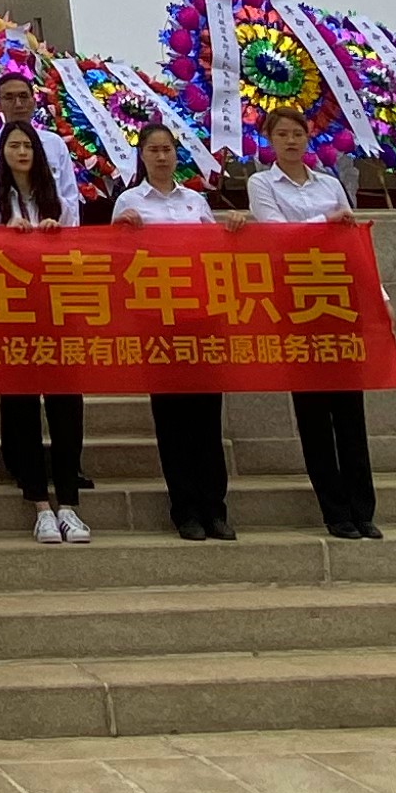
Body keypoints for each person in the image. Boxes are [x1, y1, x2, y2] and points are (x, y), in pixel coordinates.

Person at [248, 102, 381, 540]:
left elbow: (354, 244)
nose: (291, 141)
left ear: (308, 138)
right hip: (297, 302)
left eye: (297, 134)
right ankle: (334, 510)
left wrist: (380, 297)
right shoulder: (262, 184)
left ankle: (364, 508)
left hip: (339, 301)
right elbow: (278, 235)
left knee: (349, 410)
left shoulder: (329, 184)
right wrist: (325, 222)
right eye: (282, 134)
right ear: (270, 140)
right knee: (313, 413)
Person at [114, 122, 245, 541]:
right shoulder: (129, 202)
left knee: (207, 417)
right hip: (159, 319)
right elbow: (118, 260)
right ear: (142, 156)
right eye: (153, 149)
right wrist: (124, 234)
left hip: (202, 318)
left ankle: (215, 508)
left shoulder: (195, 201)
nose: (161, 156)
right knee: (172, 419)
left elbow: (215, 251)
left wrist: (233, 228)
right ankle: (184, 509)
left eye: (167, 148)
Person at [0, 122, 89, 542]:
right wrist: (11, 240)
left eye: (28, 145)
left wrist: (53, 239)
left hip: (57, 307)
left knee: (66, 405)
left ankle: (69, 503)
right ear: (2, 154)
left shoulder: (59, 200)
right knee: (21, 405)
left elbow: (76, 249)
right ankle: (39, 503)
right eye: (14, 145)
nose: (21, 152)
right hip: (14, 311)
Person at [0, 71, 79, 213]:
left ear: (33, 102)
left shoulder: (54, 143)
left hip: (52, 228)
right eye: (9, 98)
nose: (18, 104)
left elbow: (70, 196)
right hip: (7, 228)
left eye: (23, 96)